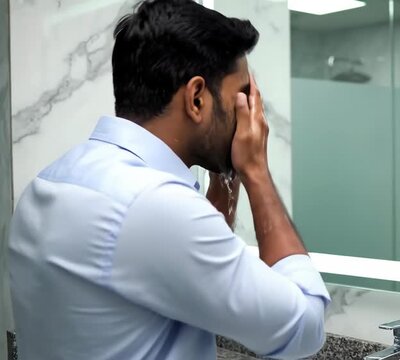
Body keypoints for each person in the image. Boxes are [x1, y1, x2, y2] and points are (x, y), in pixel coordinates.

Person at [9, 1, 329, 359]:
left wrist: (228, 178)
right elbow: (304, 327)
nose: (250, 115)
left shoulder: (51, 182)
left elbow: (192, 271)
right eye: (242, 97)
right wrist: (257, 172)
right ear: (196, 98)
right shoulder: (153, 206)